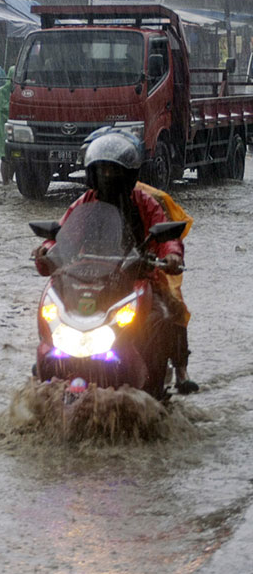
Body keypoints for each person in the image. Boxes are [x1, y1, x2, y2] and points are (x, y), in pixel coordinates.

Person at [31, 128, 198, 393]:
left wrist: (172, 256)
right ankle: (49, 363)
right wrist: (46, 250)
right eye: (103, 171)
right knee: (54, 315)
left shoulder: (145, 202)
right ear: (92, 173)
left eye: (114, 171)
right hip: (87, 278)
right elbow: (62, 234)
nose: (108, 177)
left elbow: (166, 235)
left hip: (137, 276)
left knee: (167, 312)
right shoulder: (83, 203)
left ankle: (177, 369)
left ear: (129, 174)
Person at [0, 64, 14, 168]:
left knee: (15, 159)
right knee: (5, 157)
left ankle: (11, 182)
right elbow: (3, 108)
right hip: (5, 128)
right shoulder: (2, 91)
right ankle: (6, 182)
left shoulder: (23, 91)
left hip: (17, 129)